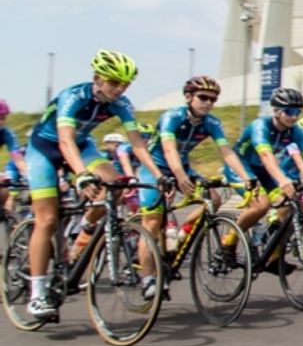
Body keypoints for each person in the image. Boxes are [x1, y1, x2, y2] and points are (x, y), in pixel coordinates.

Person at [23, 50, 163, 319]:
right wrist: (82, 174)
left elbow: (137, 143)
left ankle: (85, 227)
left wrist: (158, 174)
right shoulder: (73, 96)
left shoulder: (122, 104)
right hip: (45, 148)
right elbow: (64, 141)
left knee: (115, 185)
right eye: (114, 82)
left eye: (125, 84)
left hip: (82, 145)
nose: (119, 89)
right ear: (97, 78)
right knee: (47, 219)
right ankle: (37, 294)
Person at [135, 75, 255, 300]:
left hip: (183, 165)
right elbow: (169, 149)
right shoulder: (172, 117)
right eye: (203, 97)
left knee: (214, 200)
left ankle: (181, 235)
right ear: (188, 97)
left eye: (213, 99)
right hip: (156, 169)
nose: (208, 103)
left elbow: (226, 151)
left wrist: (246, 177)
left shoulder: (212, 123)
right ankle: (147, 279)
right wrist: (179, 176)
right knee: (151, 223)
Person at [219, 87, 303, 274]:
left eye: (298, 112)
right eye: (289, 112)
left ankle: (273, 257)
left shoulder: (296, 131)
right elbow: (265, 155)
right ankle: (228, 243)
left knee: (293, 208)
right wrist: (283, 180)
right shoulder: (260, 126)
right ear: (276, 111)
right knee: (261, 205)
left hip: (264, 171)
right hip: (242, 168)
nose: (294, 117)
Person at [0, 99, 28, 215]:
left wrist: (29, 176)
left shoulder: (7, 134)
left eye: (3, 118)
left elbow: (18, 158)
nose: (1, 122)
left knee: (5, 191)